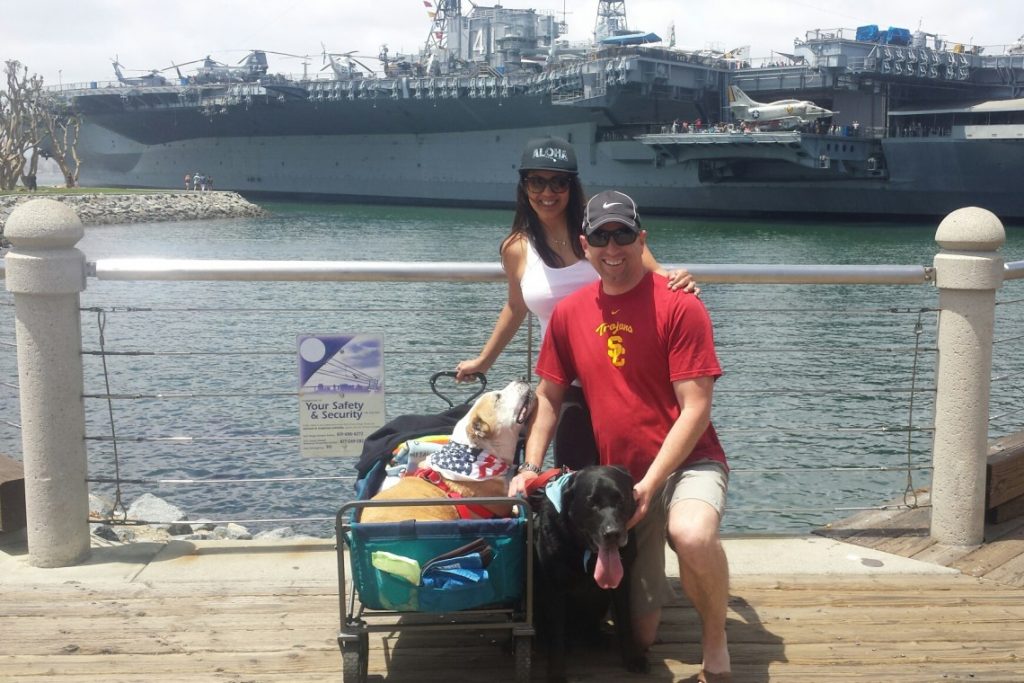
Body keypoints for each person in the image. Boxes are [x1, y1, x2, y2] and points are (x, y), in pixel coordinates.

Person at [509, 190, 731, 681]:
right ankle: (651, 593)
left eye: (624, 235)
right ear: (585, 245)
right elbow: (547, 397)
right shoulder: (568, 315)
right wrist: (529, 468)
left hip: (687, 461)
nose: (613, 248)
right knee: (642, 638)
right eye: (602, 237)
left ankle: (716, 640)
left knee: (691, 535)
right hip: (622, 482)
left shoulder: (680, 306)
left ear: (642, 238)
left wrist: (650, 486)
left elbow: (696, 409)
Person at [454, 136, 697, 469]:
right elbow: (516, 307)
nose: (547, 193)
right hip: (565, 385)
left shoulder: (605, 232)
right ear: (523, 186)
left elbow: (657, 278)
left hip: (627, 378)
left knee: (639, 480)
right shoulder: (517, 248)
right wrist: (484, 360)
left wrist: (680, 277)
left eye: (559, 182)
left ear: (573, 186)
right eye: (536, 182)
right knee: (576, 483)